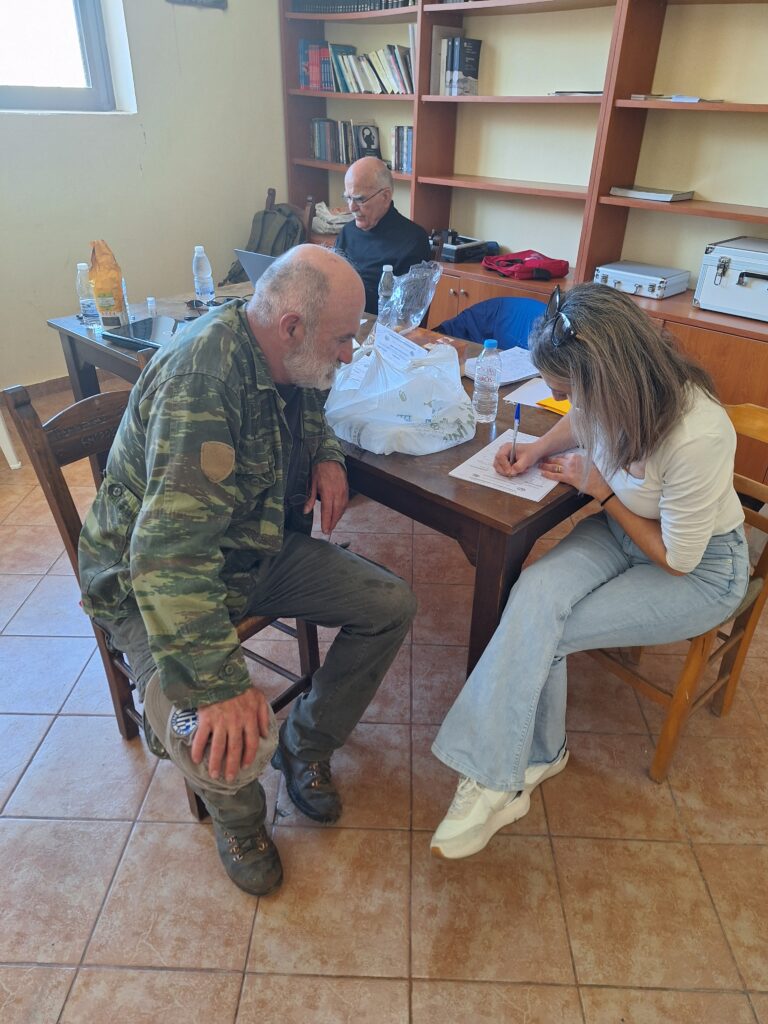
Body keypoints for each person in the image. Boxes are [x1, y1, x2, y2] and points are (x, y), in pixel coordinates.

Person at [79, 245, 417, 894]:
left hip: (247, 546)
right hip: (151, 587)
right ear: (292, 326)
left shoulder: (285, 351)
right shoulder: (202, 382)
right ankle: (240, 822)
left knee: (389, 606)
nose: (350, 353)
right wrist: (218, 687)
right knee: (223, 731)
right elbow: (167, 558)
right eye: (342, 338)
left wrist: (326, 452)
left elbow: (310, 397)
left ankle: (305, 745)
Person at [430, 282, 750, 860]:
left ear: (608, 377)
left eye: (565, 387)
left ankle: (500, 777)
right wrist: (535, 448)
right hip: (628, 530)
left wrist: (600, 490)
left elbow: (678, 559)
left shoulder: (698, 433)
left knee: (546, 632)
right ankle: (528, 761)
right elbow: (582, 416)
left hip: (699, 568)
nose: (560, 397)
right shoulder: (616, 391)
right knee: (535, 593)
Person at [334, 156, 431, 314]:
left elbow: (407, 311)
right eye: (348, 198)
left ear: (385, 197)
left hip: (382, 325)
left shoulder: (414, 240)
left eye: (359, 199)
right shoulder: (347, 232)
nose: (351, 207)